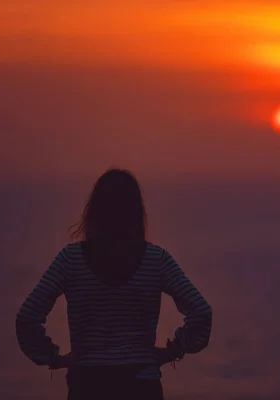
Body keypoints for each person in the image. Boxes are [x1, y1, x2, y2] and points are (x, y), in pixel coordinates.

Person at [15, 169, 213, 400]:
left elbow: (27, 318)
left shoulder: (71, 260)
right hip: (142, 387)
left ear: (94, 210)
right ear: (137, 212)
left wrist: (53, 358)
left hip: (88, 386)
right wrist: (171, 352)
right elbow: (201, 312)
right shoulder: (156, 260)